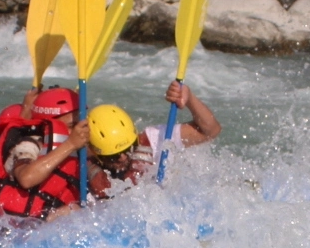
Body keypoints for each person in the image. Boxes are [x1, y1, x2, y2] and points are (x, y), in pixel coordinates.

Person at [87, 80, 221, 197]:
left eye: (129, 148)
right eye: (113, 156)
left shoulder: (155, 139)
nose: (123, 157)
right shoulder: (82, 165)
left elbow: (211, 130)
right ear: (97, 154)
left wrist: (189, 98)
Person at [0, 87, 90, 220]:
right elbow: (26, 178)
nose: (77, 131)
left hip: (40, 224)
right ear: (49, 123)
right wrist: (70, 144)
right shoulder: (29, 144)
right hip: (9, 226)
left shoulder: (78, 149)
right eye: (71, 125)